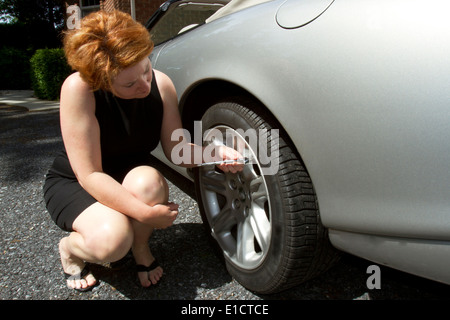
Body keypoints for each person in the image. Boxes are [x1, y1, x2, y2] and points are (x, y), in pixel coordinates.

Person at [43, 10, 243, 291]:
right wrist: (146, 214)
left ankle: (140, 248)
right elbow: (90, 174)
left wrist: (213, 154)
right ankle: (71, 250)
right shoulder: (79, 89)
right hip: (79, 181)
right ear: (102, 80)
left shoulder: (161, 84)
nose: (144, 85)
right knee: (112, 243)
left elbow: (177, 149)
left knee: (149, 181)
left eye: (146, 69)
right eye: (129, 83)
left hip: (131, 174)